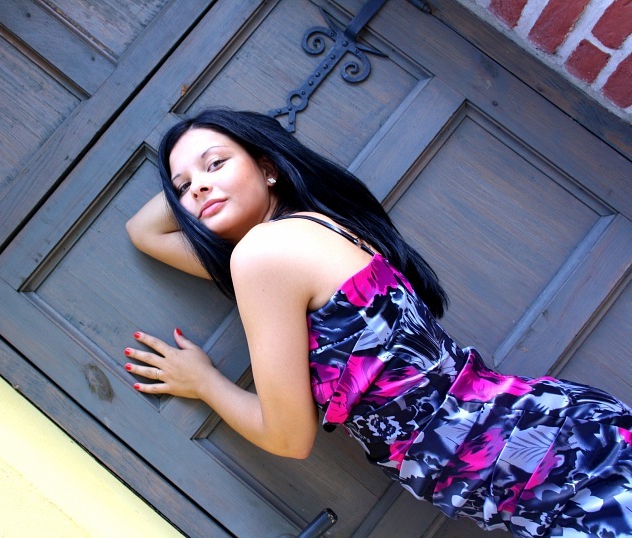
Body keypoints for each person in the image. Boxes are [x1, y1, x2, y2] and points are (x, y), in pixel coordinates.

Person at [123, 108, 631, 536]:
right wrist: (216, 159)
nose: (199, 186)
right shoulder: (316, 229)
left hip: (552, 472)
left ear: (268, 167)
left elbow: (288, 438)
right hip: (557, 442)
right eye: (183, 187)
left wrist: (205, 383)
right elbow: (145, 231)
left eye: (216, 164)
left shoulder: (264, 253)